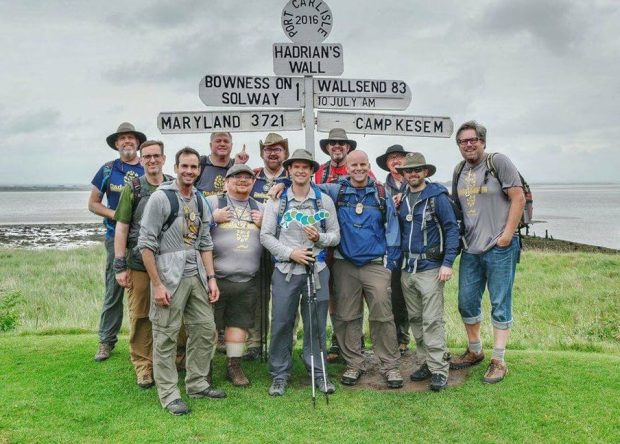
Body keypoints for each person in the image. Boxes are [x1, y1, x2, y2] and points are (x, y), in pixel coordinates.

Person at [138, 147, 225, 416]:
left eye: (193, 167)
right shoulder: (161, 198)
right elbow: (146, 245)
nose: (189, 171)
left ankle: (197, 383)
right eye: (184, 166)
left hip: (196, 274)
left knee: (204, 329)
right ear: (175, 167)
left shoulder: (200, 200)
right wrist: (157, 284)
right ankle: (169, 394)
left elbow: (205, 243)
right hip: (168, 276)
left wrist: (211, 279)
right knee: (165, 335)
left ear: (199, 171)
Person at [317, 150, 404, 389]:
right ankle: (354, 363)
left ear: (368, 166)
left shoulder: (381, 192)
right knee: (346, 315)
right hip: (345, 263)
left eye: (362, 164)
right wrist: (282, 185)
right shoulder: (337, 189)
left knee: (382, 313)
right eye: (353, 165)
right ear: (346, 167)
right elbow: (306, 187)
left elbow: (392, 227)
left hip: (375, 263)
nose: (358, 169)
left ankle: (390, 365)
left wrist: (391, 260)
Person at [449, 121, 525, 384]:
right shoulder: (459, 170)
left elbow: (518, 197)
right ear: (459, 146)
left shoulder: (498, 162)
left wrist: (506, 236)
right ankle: (475, 351)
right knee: (466, 302)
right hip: (471, 248)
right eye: (463, 141)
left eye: (473, 140)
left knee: (500, 304)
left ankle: (499, 360)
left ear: (482, 141)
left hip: (500, 247)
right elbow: (457, 208)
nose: (468, 144)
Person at [260, 149, 340, 397]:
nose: (301, 171)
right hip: (286, 271)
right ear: (289, 170)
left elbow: (335, 236)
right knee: (282, 322)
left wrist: (321, 237)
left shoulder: (324, 201)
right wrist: (289, 253)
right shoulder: (277, 200)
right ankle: (279, 375)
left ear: (312, 171)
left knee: (315, 324)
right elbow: (265, 236)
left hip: (317, 270)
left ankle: (318, 373)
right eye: (296, 167)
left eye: (306, 167)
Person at [396, 152, 460, 391]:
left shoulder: (437, 197)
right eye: (409, 171)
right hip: (407, 268)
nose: (413, 174)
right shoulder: (401, 198)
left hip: (431, 268)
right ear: (403, 174)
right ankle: (425, 362)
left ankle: (440, 368)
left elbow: (452, 229)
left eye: (417, 170)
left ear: (425, 172)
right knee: (415, 319)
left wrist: (448, 263)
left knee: (432, 320)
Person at [113, 140, 172, 388]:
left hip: (170, 262)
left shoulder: (173, 185)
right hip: (138, 263)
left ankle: (176, 359)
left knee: (173, 313)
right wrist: (119, 265)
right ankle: (143, 366)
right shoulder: (133, 188)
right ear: (141, 159)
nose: (151, 160)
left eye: (156, 156)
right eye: (146, 156)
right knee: (140, 315)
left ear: (163, 158)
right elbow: (122, 228)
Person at [314, 128, 375, 362]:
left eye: (341, 143)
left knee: (354, 291)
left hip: (352, 240)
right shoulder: (319, 171)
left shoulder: (361, 168)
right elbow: (303, 183)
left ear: (348, 148)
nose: (337, 146)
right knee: (331, 293)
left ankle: (356, 339)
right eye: (333, 143)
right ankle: (338, 342)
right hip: (326, 240)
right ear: (328, 147)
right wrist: (281, 182)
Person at [88, 122, 146, 362]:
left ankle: (149, 341)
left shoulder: (149, 167)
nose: (127, 142)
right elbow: (93, 203)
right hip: (115, 237)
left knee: (148, 290)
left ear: (138, 142)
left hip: (145, 239)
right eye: (122, 139)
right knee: (114, 289)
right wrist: (117, 215)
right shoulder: (107, 170)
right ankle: (106, 341)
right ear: (116, 144)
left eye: (131, 138)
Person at [206, 164, 263, 386]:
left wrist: (264, 223)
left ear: (253, 182)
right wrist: (212, 218)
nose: (242, 180)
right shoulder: (212, 203)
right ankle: (205, 369)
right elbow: (193, 227)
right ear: (226, 181)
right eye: (236, 177)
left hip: (247, 280)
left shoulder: (261, 207)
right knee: (208, 326)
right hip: (215, 279)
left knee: (238, 325)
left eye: (247, 177)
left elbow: (275, 234)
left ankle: (234, 367)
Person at [244, 133, 290, 361]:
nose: (273, 152)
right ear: (262, 153)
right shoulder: (252, 178)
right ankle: (255, 343)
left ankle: (284, 342)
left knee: (285, 296)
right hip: (254, 246)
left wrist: (270, 223)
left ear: (285, 153)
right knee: (257, 295)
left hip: (283, 246)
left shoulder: (292, 178)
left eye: (278, 149)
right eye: (268, 149)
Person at [376, 144, 411, 356]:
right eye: (392, 158)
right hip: (391, 247)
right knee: (395, 294)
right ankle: (400, 338)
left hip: (415, 245)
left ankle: (429, 344)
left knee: (416, 295)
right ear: (387, 164)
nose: (396, 161)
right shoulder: (382, 189)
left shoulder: (417, 182)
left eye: (399, 157)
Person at [194, 132, 249, 197]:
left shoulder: (236, 166)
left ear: (231, 146)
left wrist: (238, 166)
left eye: (226, 141)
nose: (222, 144)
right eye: (218, 141)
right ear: (211, 145)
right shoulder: (200, 164)